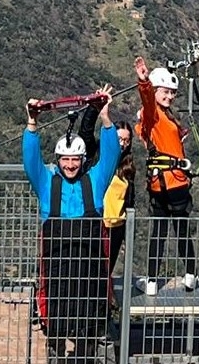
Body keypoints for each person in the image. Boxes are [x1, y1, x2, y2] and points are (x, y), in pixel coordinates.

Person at [24, 93, 121, 362]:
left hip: (89, 270)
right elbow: (30, 161)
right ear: (58, 159)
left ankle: (86, 356)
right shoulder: (47, 183)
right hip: (57, 271)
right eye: (65, 159)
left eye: (75, 159)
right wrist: (33, 123)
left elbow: (111, 156)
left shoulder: (94, 182)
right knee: (56, 322)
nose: (70, 165)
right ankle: (55, 355)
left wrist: (105, 118)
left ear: (82, 160)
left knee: (89, 325)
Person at [133, 56, 197, 296]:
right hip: (174, 182)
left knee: (160, 230)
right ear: (156, 90)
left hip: (161, 182)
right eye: (165, 92)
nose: (169, 97)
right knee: (180, 228)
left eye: (172, 93)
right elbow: (148, 103)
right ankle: (189, 274)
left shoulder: (164, 118)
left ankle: (152, 281)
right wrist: (143, 83)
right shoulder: (155, 115)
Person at [78, 93, 136, 274]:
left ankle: (103, 300)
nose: (123, 144)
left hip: (116, 227)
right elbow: (84, 132)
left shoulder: (127, 167)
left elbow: (129, 200)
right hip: (95, 224)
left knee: (106, 270)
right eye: (119, 138)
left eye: (126, 140)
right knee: (89, 268)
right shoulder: (96, 155)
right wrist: (94, 108)